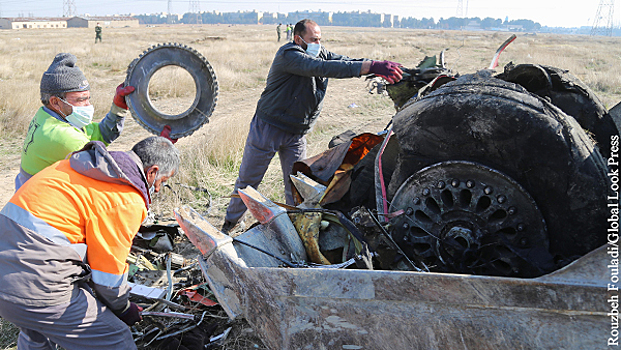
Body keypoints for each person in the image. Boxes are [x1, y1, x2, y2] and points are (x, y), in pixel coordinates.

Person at [221, 18, 403, 233]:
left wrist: (376, 67)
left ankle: (296, 227)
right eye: (313, 39)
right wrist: (371, 66)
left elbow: (343, 62)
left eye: (320, 39)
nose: (318, 43)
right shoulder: (289, 55)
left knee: (297, 184)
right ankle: (230, 224)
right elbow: (321, 67)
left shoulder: (319, 52)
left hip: (296, 133)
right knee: (249, 180)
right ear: (298, 39)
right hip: (269, 128)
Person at [0, 136, 180, 349]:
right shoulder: (126, 199)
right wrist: (124, 309)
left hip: (8, 281)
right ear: (151, 172)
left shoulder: (72, 166)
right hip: (37, 287)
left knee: (37, 335)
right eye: (163, 181)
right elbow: (108, 277)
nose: (158, 189)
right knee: (116, 339)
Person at [16, 52, 135, 191]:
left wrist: (118, 108)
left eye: (88, 98)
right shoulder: (63, 137)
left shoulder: (47, 116)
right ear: (55, 102)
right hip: (40, 207)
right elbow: (111, 174)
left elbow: (101, 134)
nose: (88, 105)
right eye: (80, 100)